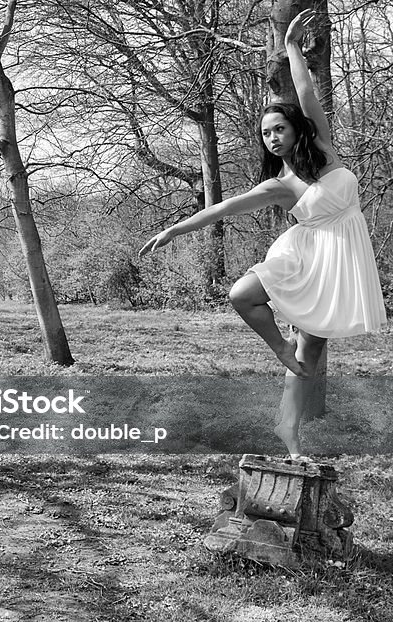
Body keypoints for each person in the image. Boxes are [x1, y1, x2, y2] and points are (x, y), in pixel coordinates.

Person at [139, 10, 386, 457]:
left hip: (341, 256)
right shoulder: (278, 185)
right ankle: (279, 346)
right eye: (266, 133)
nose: (272, 137)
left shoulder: (326, 152)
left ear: (297, 130)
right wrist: (174, 229)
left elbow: (307, 91)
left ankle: (287, 431)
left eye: (279, 129)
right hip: (305, 253)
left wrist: (292, 47)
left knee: (312, 348)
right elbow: (222, 208)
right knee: (241, 294)